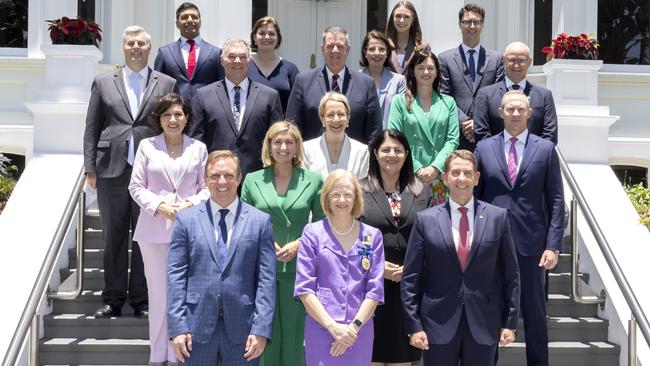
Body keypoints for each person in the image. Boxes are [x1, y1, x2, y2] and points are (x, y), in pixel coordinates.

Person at [83, 25, 178, 319]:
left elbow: (171, 125)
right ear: (123, 47)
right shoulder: (103, 82)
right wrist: (90, 167)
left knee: (144, 237)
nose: (136, 47)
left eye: (141, 43)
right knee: (113, 237)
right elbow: (92, 125)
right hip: (112, 170)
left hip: (151, 174)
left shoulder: (166, 83)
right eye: (130, 43)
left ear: (149, 49)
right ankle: (112, 299)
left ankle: (141, 300)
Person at [401, 150, 520, 366]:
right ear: (445, 179)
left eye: (467, 173)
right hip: (437, 324)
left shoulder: (498, 217)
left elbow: (511, 274)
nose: (461, 179)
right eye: (455, 173)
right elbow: (411, 278)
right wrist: (414, 325)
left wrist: (510, 322)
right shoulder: (425, 220)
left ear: (476, 178)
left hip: (484, 323)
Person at [475, 90, 564, 366]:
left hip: (532, 246)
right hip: (491, 244)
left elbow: (557, 200)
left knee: (535, 317)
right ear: (500, 112)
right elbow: (474, 197)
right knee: (490, 313)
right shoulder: (483, 148)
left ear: (530, 113)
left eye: (520, 109)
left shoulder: (546, 150)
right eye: (509, 109)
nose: (515, 114)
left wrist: (553, 245)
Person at [167, 150, 276, 365]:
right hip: (194, 328)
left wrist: (261, 329)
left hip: (244, 330)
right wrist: (178, 327)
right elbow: (175, 277)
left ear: (239, 178)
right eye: (215, 176)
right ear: (206, 180)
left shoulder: (260, 222)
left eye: (228, 175)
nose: (222, 181)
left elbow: (266, 280)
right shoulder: (186, 220)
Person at [128, 93, 209, 365]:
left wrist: (190, 204)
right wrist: (159, 205)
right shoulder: (146, 146)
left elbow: (207, 188)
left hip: (189, 231)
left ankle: (178, 355)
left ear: (187, 118)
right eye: (167, 115)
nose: (173, 120)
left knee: (184, 294)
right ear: (158, 119)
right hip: (153, 231)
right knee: (159, 295)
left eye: (178, 114)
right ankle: (156, 355)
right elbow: (135, 186)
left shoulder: (198, 148)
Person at [240, 121, 324, 366]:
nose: (283, 147)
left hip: (299, 271)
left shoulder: (313, 180)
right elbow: (244, 223)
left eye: (289, 142)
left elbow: (321, 224)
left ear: (297, 147)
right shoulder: (252, 180)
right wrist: (266, 243)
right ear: (268, 146)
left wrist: (299, 243)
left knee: (294, 342)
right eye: (277, 142)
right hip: (262, 269)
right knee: (265, 339)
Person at [294, 169, 385, 366]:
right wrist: (332, 327)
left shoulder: (372, 236)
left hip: (359, 331)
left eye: (347, 194)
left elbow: (375, 290)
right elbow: (304, 288)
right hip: (321, 328)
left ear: (356, 198)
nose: (341, 200)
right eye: (335, 194)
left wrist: (353, 329)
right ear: (326, 197)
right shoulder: (312, 233)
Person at [358, 129, 433, 366]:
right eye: (386, 149)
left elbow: (430, 238)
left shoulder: (422, 190)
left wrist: (412, 268)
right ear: (375, 154)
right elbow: (351, 237)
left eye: (398, 150)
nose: (392, 154)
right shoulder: (359, 190)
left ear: (407, 154)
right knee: (372, 357)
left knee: (403, 359)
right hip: (368, 289)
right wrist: (378, 268)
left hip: (408, 290)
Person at [189, 38, 283, 178]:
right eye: (231, 56)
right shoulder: (203, 96)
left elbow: (276, 139)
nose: (237, 61)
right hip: (217, 179)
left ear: (250, 60)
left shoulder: (270, 96)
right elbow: (196, 142)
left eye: (243, 57)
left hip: (259, 178)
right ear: (222, 60)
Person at [387, 46, 460, 205]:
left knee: (438, 222)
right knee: (408, 222)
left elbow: (452, 140)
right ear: (413, 70)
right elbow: (394, 138)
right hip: (408, 174)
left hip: (439, 177)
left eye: (430, 68)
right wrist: (418, 168)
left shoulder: (448, 103)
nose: (426, 72)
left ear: (437, 72)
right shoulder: (399, 101)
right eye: (421, 68)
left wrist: (435, 167)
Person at [286, 26, 382, 144]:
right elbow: (292, 126)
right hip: (312, 159)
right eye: (330, 46)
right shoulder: (303, 82)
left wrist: (368, 160)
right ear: (322, 48)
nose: (335, 50)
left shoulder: (366, 84)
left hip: (354, 159)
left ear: (348, 48)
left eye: (340, 46)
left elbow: (374, 131)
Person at [438, 3, 504, 151]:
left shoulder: (496, 59)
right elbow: (443, 96)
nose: (472, 26)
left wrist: (478, 123)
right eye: (467, 21)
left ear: (482, 25)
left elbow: (498, 94)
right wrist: (465, 121)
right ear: (460, 24)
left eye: (477, 22)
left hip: (488, 133)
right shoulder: (444, 59)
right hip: (455, 133)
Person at [473, 41, 558, 144]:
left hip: (534, 158)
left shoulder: (544, 95)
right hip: (496, 158)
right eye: (512, 60)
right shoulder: (486, 95)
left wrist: (531, 155)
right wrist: (501, 155)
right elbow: (481, 133)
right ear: (504, 61)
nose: (516, 65)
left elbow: (550, 135)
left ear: (529, 62)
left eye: (521, 60)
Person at [154, 2, 225, 102]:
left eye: (194, 17)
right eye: (184, 17)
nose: (190, 20)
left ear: (200, 22)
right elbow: (158, 86)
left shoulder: (216, 53)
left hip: (206, 112)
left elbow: (221, 86)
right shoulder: (164, 52)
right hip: (174, 112)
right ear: (177, 24)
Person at [303, 93, 369, 181]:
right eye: (330, 115)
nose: (336, 119)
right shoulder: (306, 149)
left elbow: (362, 190)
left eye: (341, 114)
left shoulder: (361, 151)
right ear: (322, 118)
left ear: (348, 118)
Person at [248, 16, 300, 113]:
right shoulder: (244, 65)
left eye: (271, 34)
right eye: (262, 33)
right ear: (254, 37)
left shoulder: (290, 69)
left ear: (278, 39)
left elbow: (298, 102)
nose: (267, 37)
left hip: (280, 126)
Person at [360, 30, 407, 129]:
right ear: (365, 52)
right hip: (361, 141)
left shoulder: (399, 81)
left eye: (381, 49)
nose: (377, 53)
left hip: (389, 140)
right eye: (372, 49)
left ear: (387, 53)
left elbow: (402, 114)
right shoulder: (355, 79)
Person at [385, 1, 424, 74]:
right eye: (398, 16)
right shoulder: (383, 46)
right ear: (392, 18)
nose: (401, 20)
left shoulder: (423, 47)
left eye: (406, 17)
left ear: (413, 20)